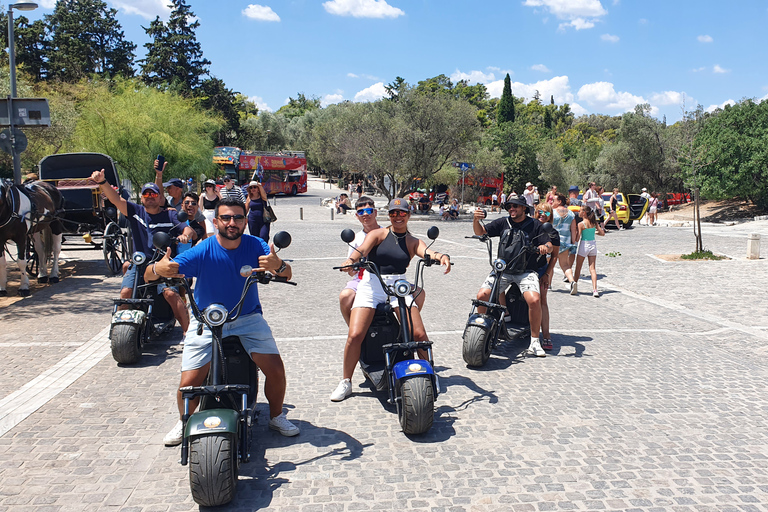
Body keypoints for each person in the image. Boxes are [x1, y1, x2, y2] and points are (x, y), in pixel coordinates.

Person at [150, 197, 300, 445]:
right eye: (226, 218)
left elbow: (285, 273)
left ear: (244, 221)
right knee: (189, 382)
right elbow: (161, 270)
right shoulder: (203, 249)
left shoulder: (256, 245)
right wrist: (158, 269)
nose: (232, 223)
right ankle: (184, 420)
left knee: (275, 369)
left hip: (247, 316)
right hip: (207, 321)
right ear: (216, 220)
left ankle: (276, 415)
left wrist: (279, 264)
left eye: (238, 218)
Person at [330, 198, 451, 402]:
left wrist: (440, 256)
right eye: (393, 213)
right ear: (389, 216)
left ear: (408, 215)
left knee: (419, 333)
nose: (397, 217)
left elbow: (426, 251)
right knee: (355, 333)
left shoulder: (413, 241)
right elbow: (361, 251)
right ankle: (346, 382)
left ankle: (430, 375)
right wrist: (351, 261)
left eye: (402, 213)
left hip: (398, 285)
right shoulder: (378, 234)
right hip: (372, 283)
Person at [89, 169, 194, 334]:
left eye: (154, 195)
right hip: (140, 264)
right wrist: (103, 182)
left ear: (160, 198)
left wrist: (184, 236)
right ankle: (118, 331)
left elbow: (187, 229)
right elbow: (116, 199)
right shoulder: (135, 211)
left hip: (164, 264)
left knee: (170, 295)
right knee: (126, 292)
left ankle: (189, 334)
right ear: (142, 198)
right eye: (146, 195)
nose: (150, 198)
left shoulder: (170, 215)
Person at [472, 197, 553, 358]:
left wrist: (545, 247)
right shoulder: (503, 222)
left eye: (515, 206)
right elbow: (480, 232)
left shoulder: (535, 225)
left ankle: (535, 341)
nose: (511, 209)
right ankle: (481, 332)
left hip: (526, 271)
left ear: (524, 208)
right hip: (503, 270)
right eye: (509, 206)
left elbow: (549, 244)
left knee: (535, 300)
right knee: (482, 296)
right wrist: (476, 219)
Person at [534, 203, 560, 351]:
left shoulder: (553, 233)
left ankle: (546, 335)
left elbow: (555, 256)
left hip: (542, 268)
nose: (543, 214)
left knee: (542, 300)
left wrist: (547, 274)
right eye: (540, 211)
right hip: (523, 267)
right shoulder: (530, 227)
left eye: (547, 213)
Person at [573, 205, 605, 298]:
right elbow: (602, 233)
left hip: (584, 245)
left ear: (584, 213)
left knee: (578, 267)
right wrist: (595, 232)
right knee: (592, 269)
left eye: (580, 211)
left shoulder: (581, 224)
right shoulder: (594, 223)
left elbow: (578, 238)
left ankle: (574, 285)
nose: (579, 212)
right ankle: (595, 290)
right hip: (593, 245)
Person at [552, 193, 577, 293]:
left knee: (549, 264)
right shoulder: (571, 213)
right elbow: (573, 229)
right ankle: (572, 281)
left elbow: (543, 217)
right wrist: (573, 242)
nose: (552, 202)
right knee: (565, 265)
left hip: (553, 241)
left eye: (553, 200)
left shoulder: (552, 212)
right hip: (565, 242)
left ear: (559, 201)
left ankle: (548, 285)